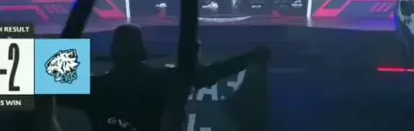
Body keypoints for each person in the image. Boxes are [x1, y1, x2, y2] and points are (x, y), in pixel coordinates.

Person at [58, 24, 270, 131]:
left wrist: (71, 30)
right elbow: (207, 75)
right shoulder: (160, 80)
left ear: (113, 55)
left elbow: (54, 89)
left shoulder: (95, 87)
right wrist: (251, 57)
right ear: (142, 52)